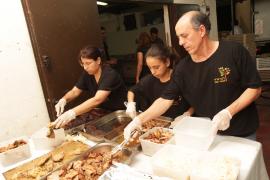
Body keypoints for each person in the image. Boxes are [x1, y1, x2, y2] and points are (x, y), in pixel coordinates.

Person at [124, 11, 261, 141]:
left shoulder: (234, 52)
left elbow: (254, 88)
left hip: (242, 133)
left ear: (201, 31)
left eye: (184, 36)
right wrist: (139, 120)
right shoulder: (183, 68)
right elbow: (165, 100)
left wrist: (228, 112)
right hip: (207, 134)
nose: (180, 42)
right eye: (178, 37)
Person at [53, 45, 127, 128]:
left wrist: (72, 113)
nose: (85, 67)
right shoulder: (87, 73)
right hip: (102, 111)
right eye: (83, 64)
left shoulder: (110, 75)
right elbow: (75, 91)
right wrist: (64, 99)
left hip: (118, 113)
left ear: (98, 60)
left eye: (88, 63)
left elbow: (97, 100)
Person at [126, 44, 192, 119]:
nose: (152, 72)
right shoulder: (149, 80)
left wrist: (187, 114)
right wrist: (130, 104)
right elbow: (132, 90)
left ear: (167, 62)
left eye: (156, 67)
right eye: (150, 68)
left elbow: (196, 102)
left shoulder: (180, 77)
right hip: (160, 122)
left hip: (181, 122)